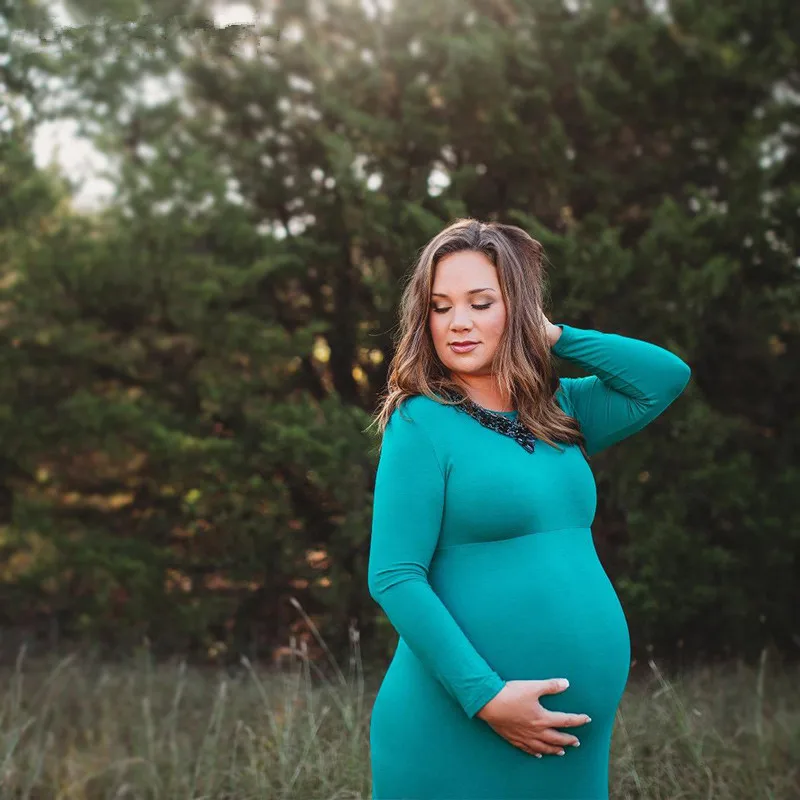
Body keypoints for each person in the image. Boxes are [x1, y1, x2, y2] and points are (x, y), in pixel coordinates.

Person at [366, 219, 691, 799]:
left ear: (517, 307)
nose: (458, 322)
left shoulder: (560, 410)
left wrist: (553, 336)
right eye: (440, 307)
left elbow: (664, 377)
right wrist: (486, 698)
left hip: (571, 743)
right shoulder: (420, 423)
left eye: (481, 302)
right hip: (458, 729)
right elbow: (394, 576)